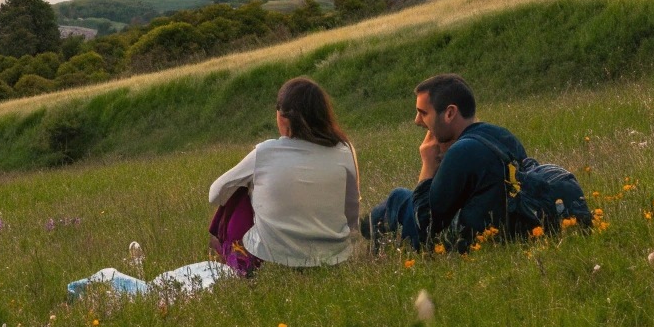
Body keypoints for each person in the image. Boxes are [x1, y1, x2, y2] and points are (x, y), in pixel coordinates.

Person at [206, 77, 361, 271]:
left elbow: (215, 194)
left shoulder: (265, 152)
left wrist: (252, 188)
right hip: (335, 257)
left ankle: (233, 258)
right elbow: (352, 212)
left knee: (238, 192)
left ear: (283, 116)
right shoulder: (345, 150)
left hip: (273, 257)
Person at [367, 73, 528, 248]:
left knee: (397, 198)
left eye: (423, 113)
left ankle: (372, 238)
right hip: (506, 229)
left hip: (471, 242)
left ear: (450, 113)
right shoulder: (501, 135)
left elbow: (425, 227)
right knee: (394, 203)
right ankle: (367, 224)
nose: (417, 120)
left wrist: (428, 165)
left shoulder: (462, 151)